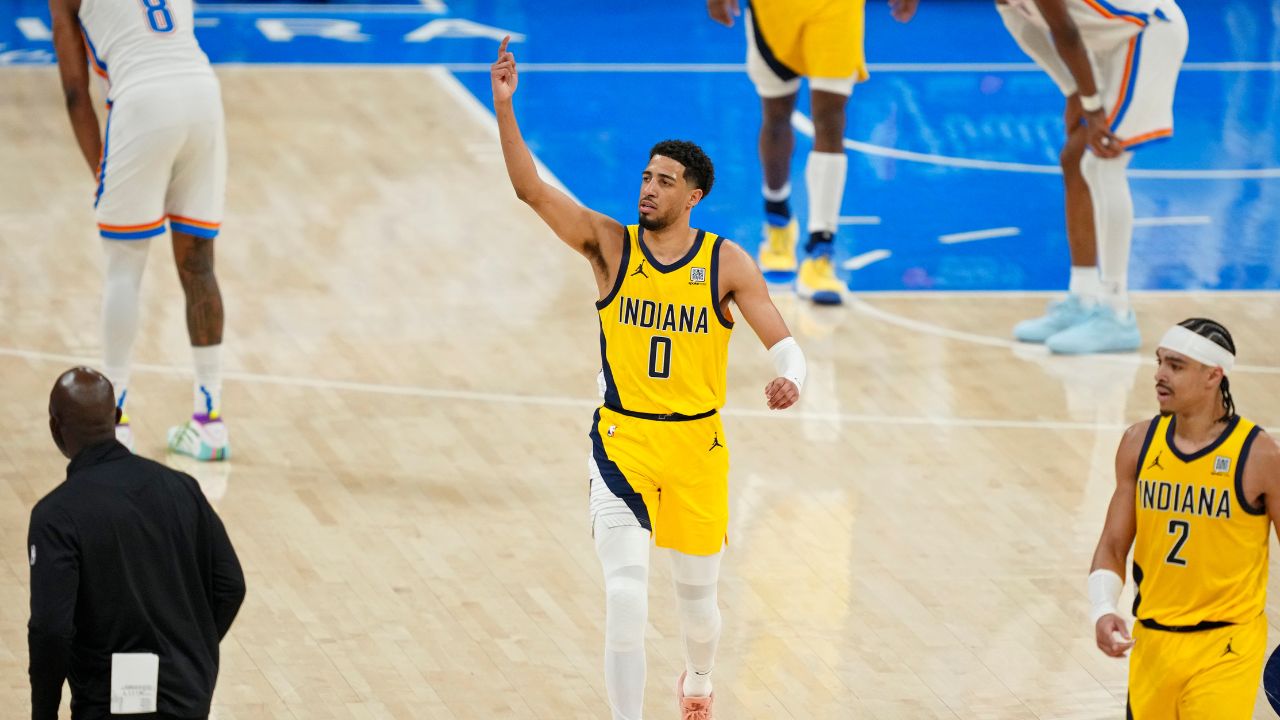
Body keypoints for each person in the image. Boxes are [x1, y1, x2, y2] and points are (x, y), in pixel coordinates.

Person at [491, 37, 807, 720]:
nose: (649, 188)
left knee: (699, 614)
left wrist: (792, 377)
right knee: (627, 596)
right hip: (622, 446)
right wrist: (504, 106)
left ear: (693, 196)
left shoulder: (726, 263)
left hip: (698, 451)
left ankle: (697, 681)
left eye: (665, 181)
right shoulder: (609, 247)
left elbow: (783, 341)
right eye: (645, 176)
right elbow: (530, 189)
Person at [49, 0, 230, 459]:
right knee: (198, 264)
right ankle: (209, 422)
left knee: (124, 268)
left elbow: (75, 92)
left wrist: (100, 172)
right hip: (202, 93)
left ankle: (118, 422)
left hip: (143, 101)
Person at [1087, 319, 1280, 718]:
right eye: (1159, 363)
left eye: (1175, 366)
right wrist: (1103, 607)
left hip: (1227, 644)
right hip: (1153, 642)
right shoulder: (1138, 443)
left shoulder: (1259, 456)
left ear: (1214, 375)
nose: (1159, 375)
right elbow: (1112, 544)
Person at [28, 367, 245, 720]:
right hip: (187, 698)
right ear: (115, 418)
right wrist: (190, 656)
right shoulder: (181, 488)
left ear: (55, 429)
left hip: (106, 704)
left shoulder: (55, 516)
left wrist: (43, 714)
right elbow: (230, 585)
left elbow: (51, 629)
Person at [998, 0, 1188, 353]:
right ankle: (1083, 297)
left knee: (1103, 164)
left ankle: (1116, 313)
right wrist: (1071, 89)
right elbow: (1023, 26)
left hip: (1146, 33)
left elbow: (1064, 30)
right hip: (1106, 44)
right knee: (1075, 158)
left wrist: (1092, 108)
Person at [706, 0, 919, 305]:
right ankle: (777, 222)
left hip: (837, 8)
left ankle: (821, 254)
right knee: (777, 114)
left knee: (831, 118)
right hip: (774, 10)